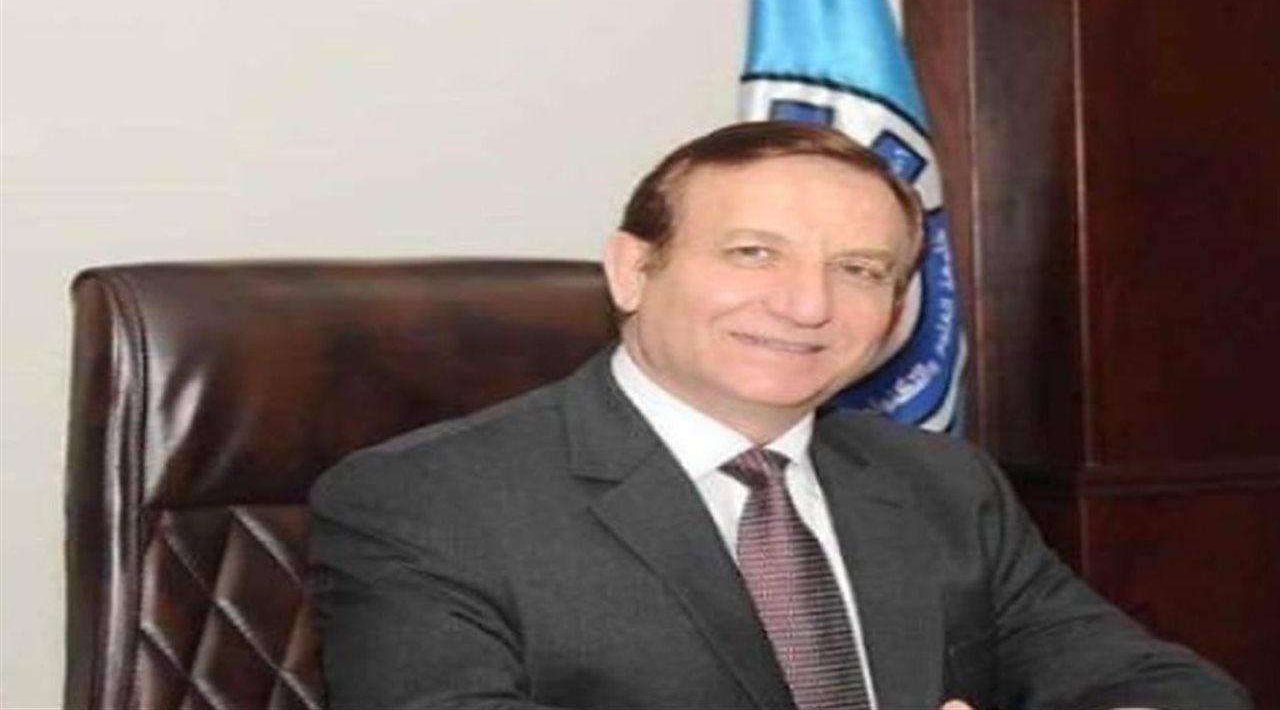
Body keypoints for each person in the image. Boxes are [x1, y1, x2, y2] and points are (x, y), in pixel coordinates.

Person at [309, 121, 1249, 710]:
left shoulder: (939, 481)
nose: (807, 305)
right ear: (633, 270)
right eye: (754, 254)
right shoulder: (428, 501)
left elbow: (1163, 687)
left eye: (860, 270)